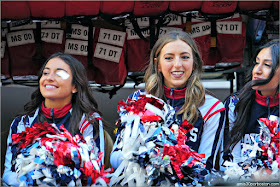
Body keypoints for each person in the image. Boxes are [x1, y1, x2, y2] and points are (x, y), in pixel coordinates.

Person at [110, 30, 226, 171]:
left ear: (194, 63)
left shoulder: (212, 108)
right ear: (157, 64)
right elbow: (116, 158)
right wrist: (143, 161)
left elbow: (207, 167)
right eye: (169, 58)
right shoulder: (138, 101)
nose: (177, 64)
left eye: (184, 57)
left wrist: (172, 168)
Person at [2, 52, 113, 186]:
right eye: (46, 73)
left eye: (59, 74)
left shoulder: (89, 122)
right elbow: (9, 172)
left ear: (75, 86)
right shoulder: (21, 123)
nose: (49, 78)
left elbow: (95, 172)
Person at [221, 40, 279, 168]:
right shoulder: (235, 104)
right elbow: (230, 160)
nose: (257, 70)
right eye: (257, 63)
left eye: (267, 65)